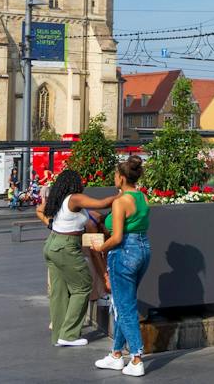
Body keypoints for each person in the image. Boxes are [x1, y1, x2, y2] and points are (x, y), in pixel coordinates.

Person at [90, 155, 152, 377]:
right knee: (124, 302)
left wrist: (100, 248)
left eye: (116, 175)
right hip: (143, 249)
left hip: (124, 252)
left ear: (122, 178)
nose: (114, 178)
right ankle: (117, 354)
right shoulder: (141, 197)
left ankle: (136, 357)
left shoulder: (120, 202)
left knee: (124, 307)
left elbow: (116, 237)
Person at [39, 170, 114, 349]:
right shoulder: (74, 198)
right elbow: (101, 203)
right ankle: (69, 334)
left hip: (52, 244)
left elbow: (42, 211)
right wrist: (123, 196)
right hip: (67, 246)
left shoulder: (60, 199)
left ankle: (59, 335)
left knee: (59, 292)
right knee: (83, 287)